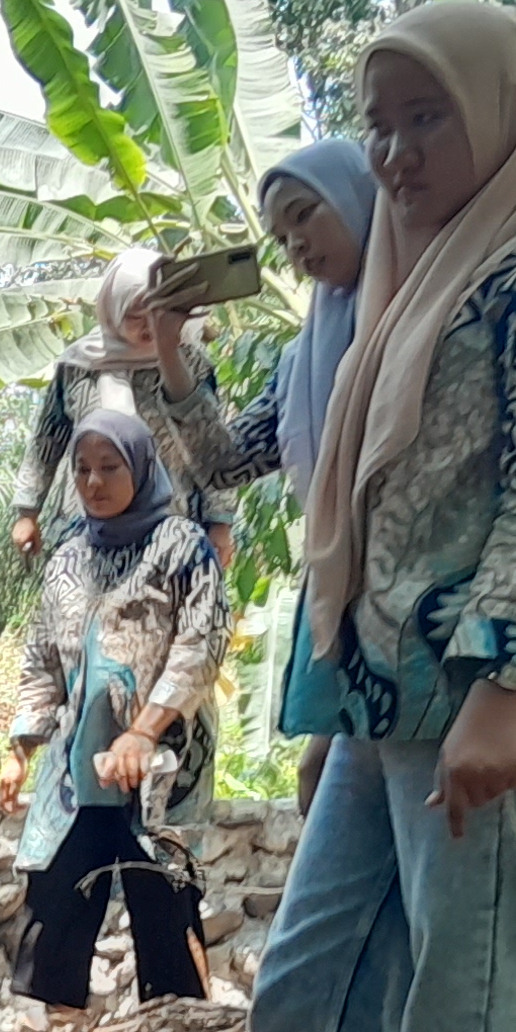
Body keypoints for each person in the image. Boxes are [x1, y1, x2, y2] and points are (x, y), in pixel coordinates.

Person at [142, 0, 516, 1032]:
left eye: (424, 116)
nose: (392, 152)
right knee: (310, 989)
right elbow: (261, 460)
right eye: (376, 121)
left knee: (479, 1010)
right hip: (380, 689)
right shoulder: (398, 277)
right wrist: (162, 357)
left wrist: (508, 687)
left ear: (504, 111)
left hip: (473, 704)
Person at [134, 141, 381, 808]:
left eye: (307, 216)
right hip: (344, 594)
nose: (297, 245)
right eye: (280, 236)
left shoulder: (431, 317)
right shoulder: (304, 358)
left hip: (417, 608)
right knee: (320, 789)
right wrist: (168, 346)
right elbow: (227, 459)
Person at [0, 410, 224, 1014]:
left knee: (166, 909)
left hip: (161, 769)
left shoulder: (183, 548)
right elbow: (43, 657)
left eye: (109, 467)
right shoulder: (68, 556)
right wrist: (21, 748)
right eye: (82, 469)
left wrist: (145, 732)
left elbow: (201, 647)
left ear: (142, 468)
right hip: (77, 771)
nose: (93, 482)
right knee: (55, 913)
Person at [10, 246, 235, 564]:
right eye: (134, 315)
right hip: (86, 526)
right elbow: (46, 441)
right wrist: (27, 512)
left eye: (156, 314)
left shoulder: (191, 364)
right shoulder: (78, 364)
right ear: (113, 308)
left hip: (173, 527)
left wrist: (221, 523)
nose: (148, 327)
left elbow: (213, 450)